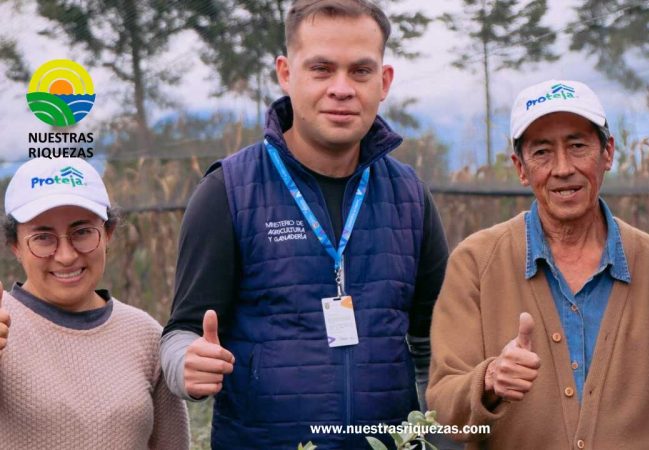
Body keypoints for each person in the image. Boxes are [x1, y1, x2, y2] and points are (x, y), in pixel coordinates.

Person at [159, 0, 448, 448]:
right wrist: (187, 366)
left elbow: (436, 344)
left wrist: (441, 435)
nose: (341, 88)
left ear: (384, 81)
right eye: (321, 69)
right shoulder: (227, 192)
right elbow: (182, 332)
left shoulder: (411, 196)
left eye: (360, 71)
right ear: (286, 73)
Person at [426, 79, 649, 449]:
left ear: (608, 153)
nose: (562, 168)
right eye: (541, 152)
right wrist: (490, 380)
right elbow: (443, 411)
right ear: (520, 168)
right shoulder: (476, 262)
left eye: (577, 146)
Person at [0, 157, 189, 449]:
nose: (66, 255)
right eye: (43, 237)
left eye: (82, 232)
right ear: (15, 246)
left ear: (108, 234)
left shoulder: (146, 335)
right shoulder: (3, 326)